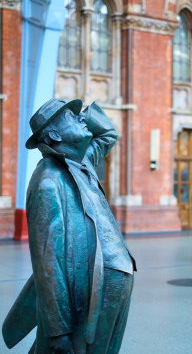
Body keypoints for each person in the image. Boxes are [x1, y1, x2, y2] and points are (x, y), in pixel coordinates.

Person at [2, 98, 136, 354]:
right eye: (72, 117)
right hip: (89, 289)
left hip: (116, 278)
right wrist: (58, 330)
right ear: (53, 134)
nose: (82, 119)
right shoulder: (48, 181)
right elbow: (48, 262)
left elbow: (108, 133)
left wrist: (85, 116)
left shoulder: (81, 161)